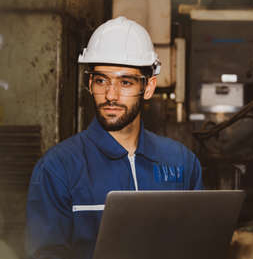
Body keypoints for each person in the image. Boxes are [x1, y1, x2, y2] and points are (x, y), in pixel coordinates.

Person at [25, 16, 203, 259]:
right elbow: (46, 252)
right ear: (90, 83)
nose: (111, 94)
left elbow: (198, 245)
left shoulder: (182, 162)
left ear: (148, 87)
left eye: (125, 82)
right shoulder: (58, 168)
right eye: (101, 80)